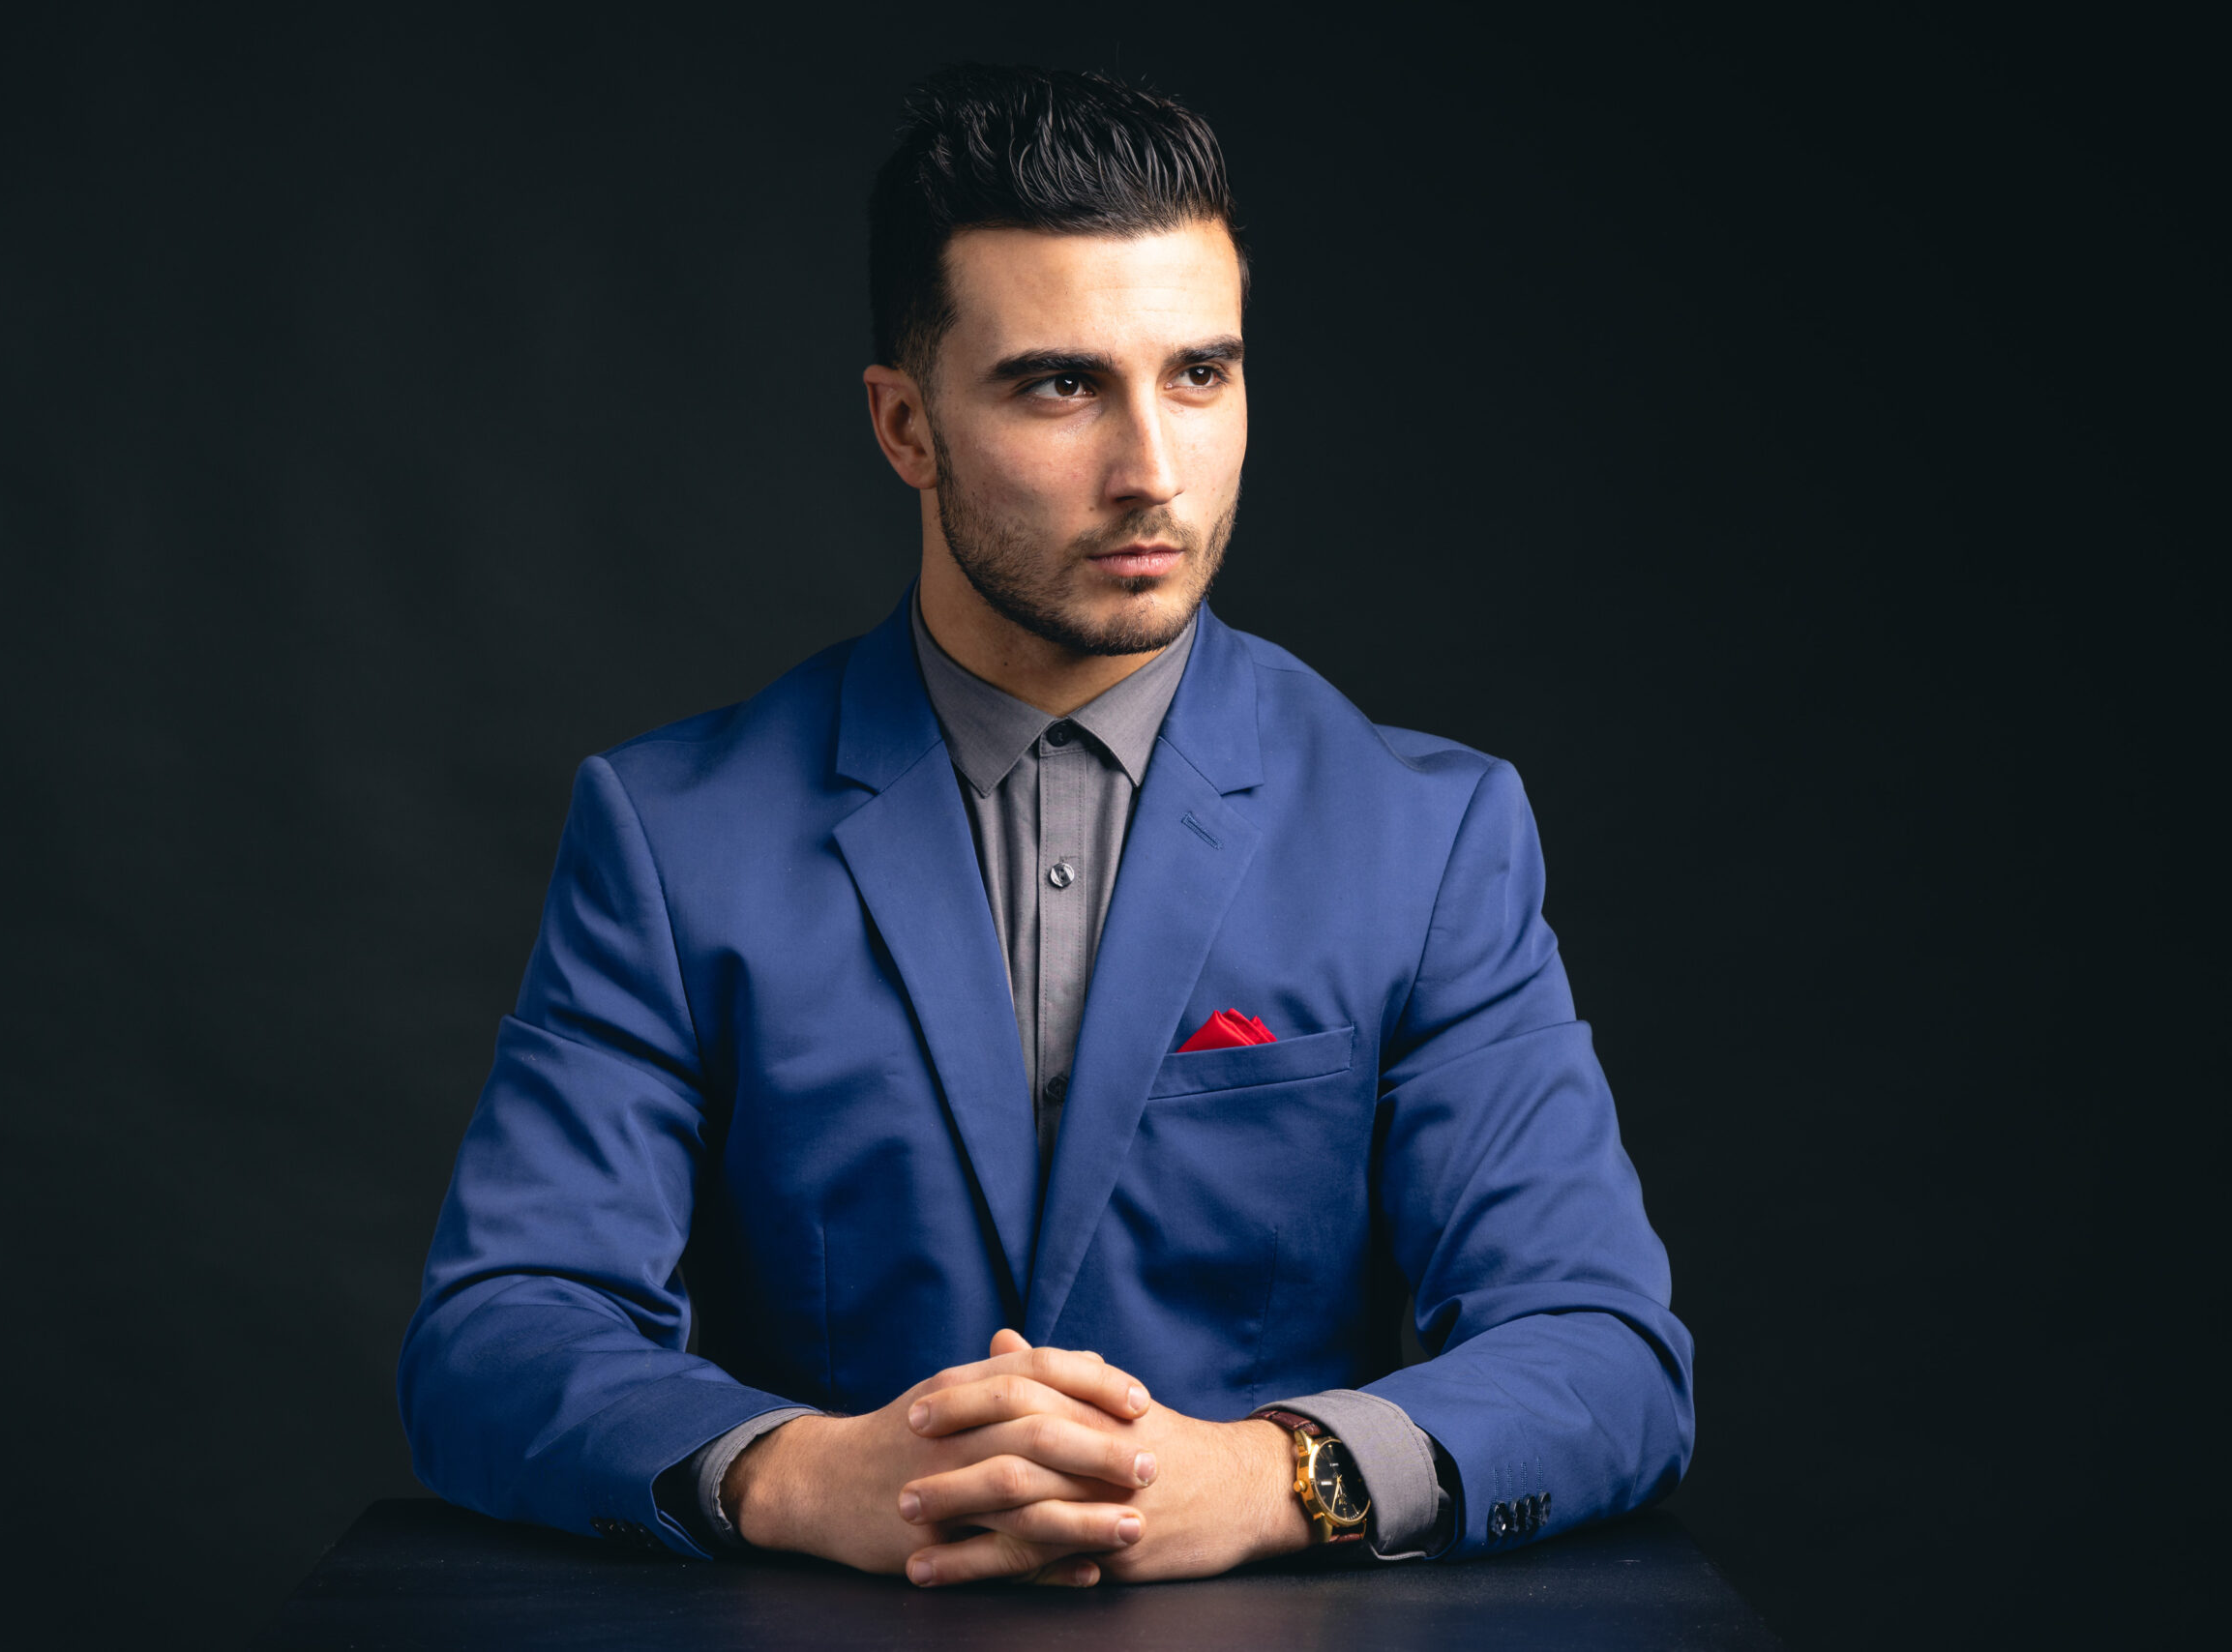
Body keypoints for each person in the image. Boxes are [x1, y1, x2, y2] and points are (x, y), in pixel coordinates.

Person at [399, 63, 1692, 1590]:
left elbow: (1603, 1350)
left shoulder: (1429, 836)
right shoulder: (675, 837)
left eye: (1199, 374)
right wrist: (800, 1474)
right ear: (905, 424)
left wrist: (1271, 1478)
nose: (1153, 472)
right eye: (1060, 386)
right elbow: (494, 1336)